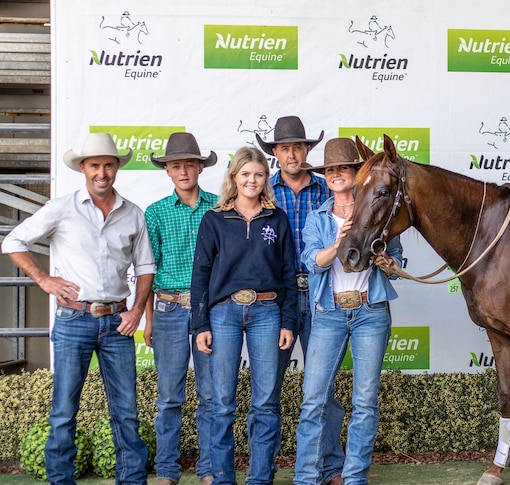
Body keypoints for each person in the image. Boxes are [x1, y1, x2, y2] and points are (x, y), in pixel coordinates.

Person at [1, 133, 154, 484]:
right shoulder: (62, 208)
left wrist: (135, 312)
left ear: (117, 168)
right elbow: (13, 240)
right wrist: (43, 279)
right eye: (95, 165)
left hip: (118, 322)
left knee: (126, 412)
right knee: (64, 411)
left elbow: (145, 268)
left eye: (109, 165)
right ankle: (61, 480)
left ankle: (132, 480)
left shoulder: (133, 214)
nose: (102, 172)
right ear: (83, 168)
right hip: (73, 320)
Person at [293, 138, 403, 485]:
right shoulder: (318, 217)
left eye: (343, 168)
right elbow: (312, 262)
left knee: (365, 402)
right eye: (330, 170)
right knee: (314, 400)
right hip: (328, 312)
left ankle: (354, 477)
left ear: (357, 173)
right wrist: (338, 243)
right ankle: (307, 478)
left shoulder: (378, 210)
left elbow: (397, 263)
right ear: (324, 177)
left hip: (370, 311)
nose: (336, 175)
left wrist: (387, 262)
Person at [191, 146, 299, 485]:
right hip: (223, 314)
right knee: (222, 402)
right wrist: (200, 324)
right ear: (234, 177)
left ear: (266, 178)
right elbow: (201, 275)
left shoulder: (276, 219)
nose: (252, 180)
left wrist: (289, 321)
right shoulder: (214, 219)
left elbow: (288, 273)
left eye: (259, 174)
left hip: (268, 312)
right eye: (245, 174)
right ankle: (223, 478)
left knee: (266, 402)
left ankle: (260, 478)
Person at [143, 132, 218, 485]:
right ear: (167, 171)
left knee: (210, 393)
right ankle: (168, 471)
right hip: (169, 309)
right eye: (176, 165)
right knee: (169, 395)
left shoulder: (220, 207)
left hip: (209, 310)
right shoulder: (155, 213)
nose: (184, 170)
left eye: (190, 164)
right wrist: (148, 321)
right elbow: (148, 269)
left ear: (200, 167)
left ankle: (208, 469)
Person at [255, 115, 330, 370]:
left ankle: (321, 412)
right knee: (270, 375)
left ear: (307, 149)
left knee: (321, 375)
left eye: (298, 147)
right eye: (285, 148)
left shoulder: (327, 191)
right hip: (277, 293)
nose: (292, 155)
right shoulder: (262, 192)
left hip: (320, 290)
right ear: (275, 152)